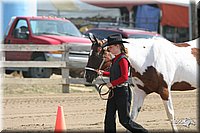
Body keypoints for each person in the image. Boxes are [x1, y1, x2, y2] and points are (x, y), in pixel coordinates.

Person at [97, 34, 148, 133]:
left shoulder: (123, 59)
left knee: (125, 120)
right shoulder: (116, 59)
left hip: (122, 92)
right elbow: (115, 74)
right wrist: (103, 73)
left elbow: (124, 77)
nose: (109, 49)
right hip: (115, 92)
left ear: (118, 46)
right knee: (109, 118)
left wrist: (112, 84)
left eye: (111, 47)